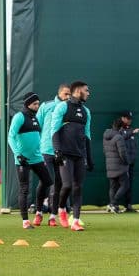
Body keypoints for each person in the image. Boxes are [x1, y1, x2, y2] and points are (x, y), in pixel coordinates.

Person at [51, 80, 94, 231]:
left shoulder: (86, 112)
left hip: (80, 155)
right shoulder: (62, 107)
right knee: (67, 185)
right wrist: (57, 151)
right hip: (65, 154)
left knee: (78, 187)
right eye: (86, 90)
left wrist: (89, 157)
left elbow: (87, 135)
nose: (89, 93)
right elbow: (54, 131)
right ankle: (61, 209)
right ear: (77, 91)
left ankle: (75, 221)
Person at [7, 92, 53, 229]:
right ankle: (25, 221)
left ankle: (38, 210)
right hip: (23, 159)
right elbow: (11, 136)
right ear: (28, 104)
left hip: (37, 158)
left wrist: (40, 153)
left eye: (38, 104)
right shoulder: (19, 117)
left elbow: (36, 137)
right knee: (24, 189)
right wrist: (18, 154)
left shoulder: (35, 118)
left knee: (48, 181)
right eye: (35, 104)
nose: (37, 106)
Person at [35, 84, 70, 226]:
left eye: (69, 94)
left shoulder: (70, 109)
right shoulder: (47, 106)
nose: (67, 97)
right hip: (46, 150)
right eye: (65, 94)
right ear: (59, 93)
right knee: (46, 182)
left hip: (63, 152)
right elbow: (37, 126)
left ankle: (52, 216)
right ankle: (38, 212)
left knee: (58, 184)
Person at [103, 118, 129, 214]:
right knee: (125, 185)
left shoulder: (105, 136)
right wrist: (127, 162)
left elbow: (104, 151)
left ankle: (112, 205)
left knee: (113, 186)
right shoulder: (119, 137)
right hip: (120, 166)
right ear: (121, 128)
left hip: (109, 165)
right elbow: (122, 153)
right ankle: (113, 204)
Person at [119, 111, 139, 212]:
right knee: (120, 184)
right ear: (123, 118)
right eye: (127, 118)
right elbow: (120, 140)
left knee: (130, 183)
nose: (129, 120)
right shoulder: (119, 129)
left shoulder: (131, 130)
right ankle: (114, 204)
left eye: (130, 119)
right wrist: (131, 133)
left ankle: (128, 205)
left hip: (131, 162)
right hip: (122, 162)